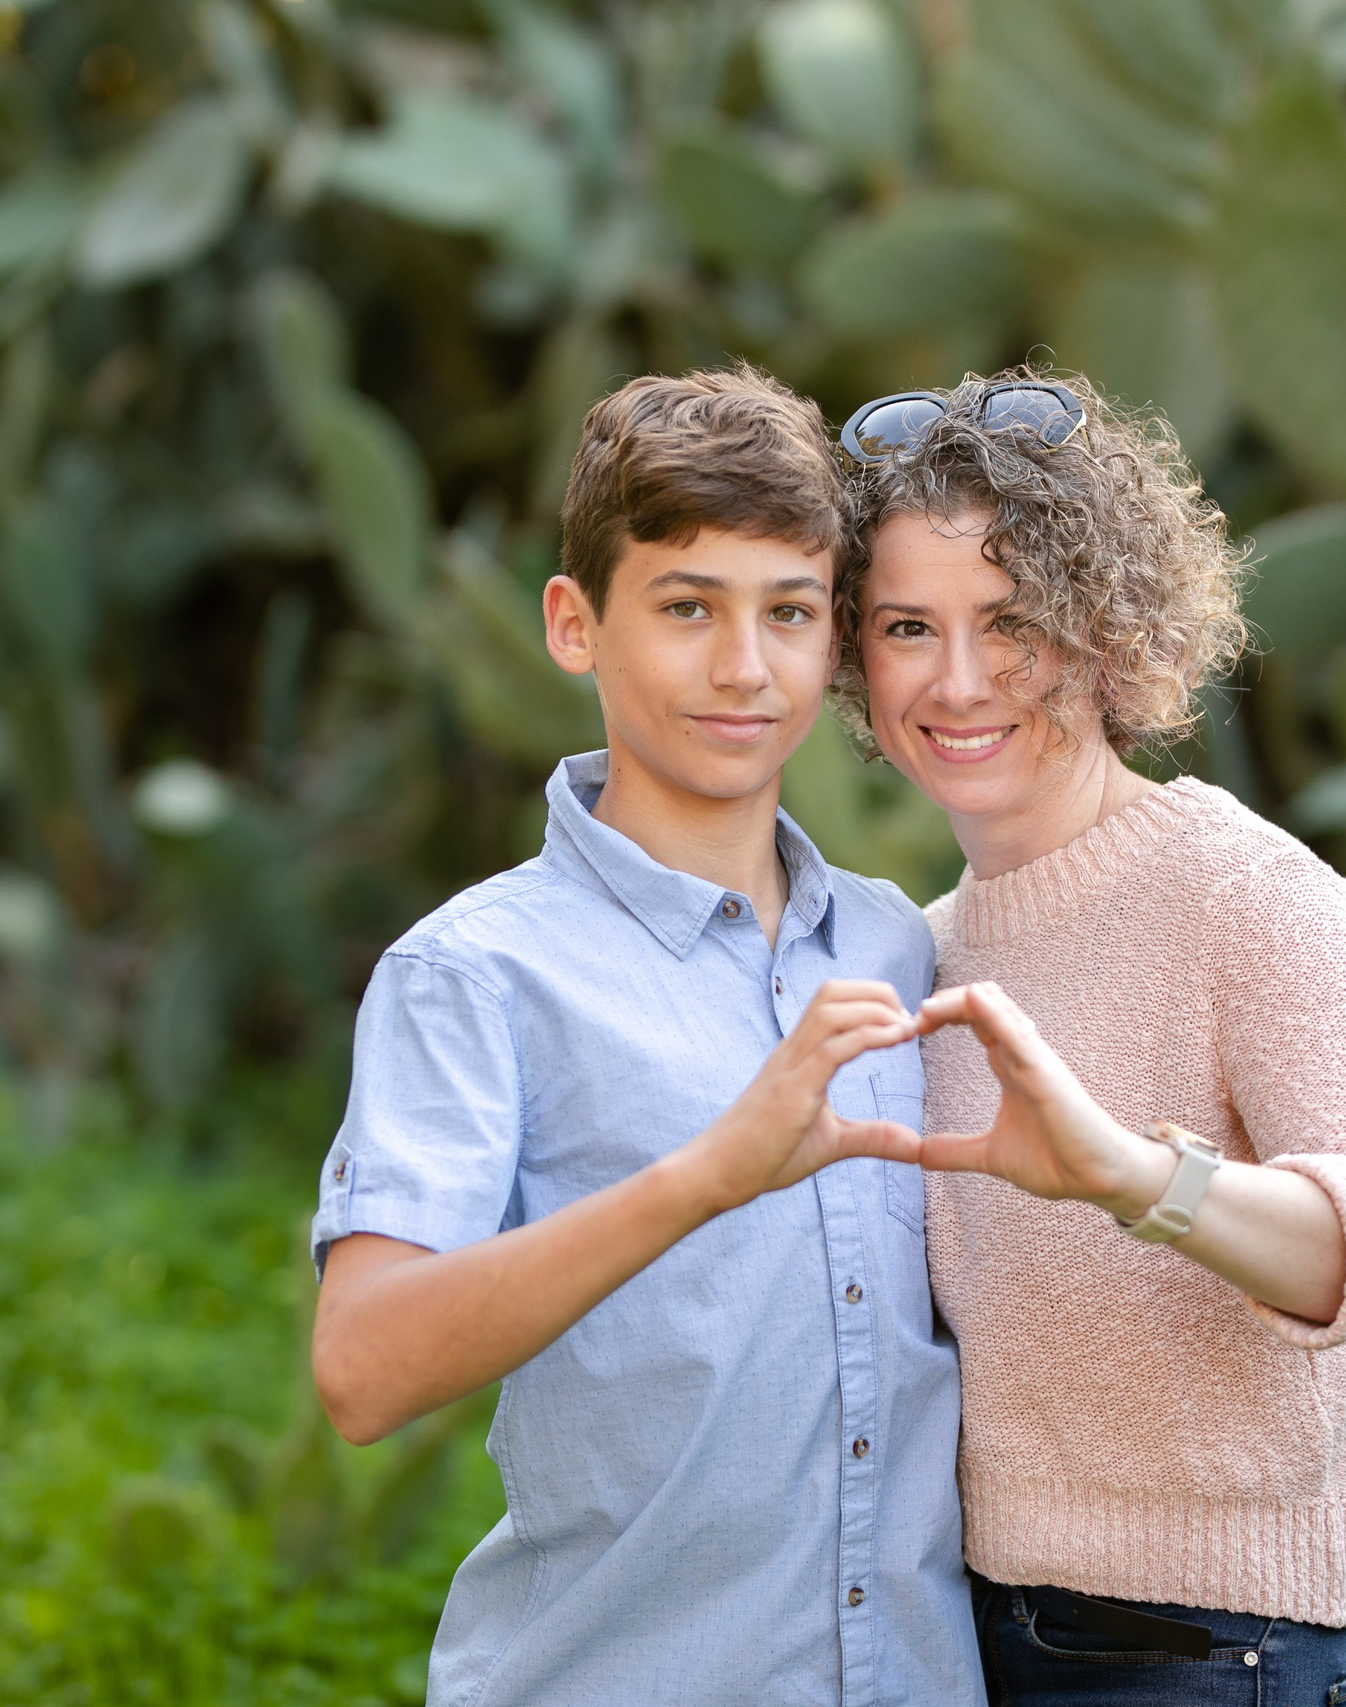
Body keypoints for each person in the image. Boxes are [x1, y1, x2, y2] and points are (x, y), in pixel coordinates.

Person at [309, 367, 984, 1707]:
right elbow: (363, 1371)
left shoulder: (905, 948)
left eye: (789, 613)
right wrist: (707, 1175)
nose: (745, 667)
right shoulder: (477, 975)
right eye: (687, 608)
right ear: (574, 624)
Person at [832, 372, 1346, 1706]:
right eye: (907, 625)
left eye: (1012, 621)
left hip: (1203, 1654)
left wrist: (1142, 1180)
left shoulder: (1244, 891)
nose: (958, 680)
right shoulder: (927, 944)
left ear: (1107, 629)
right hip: (958, 1631)